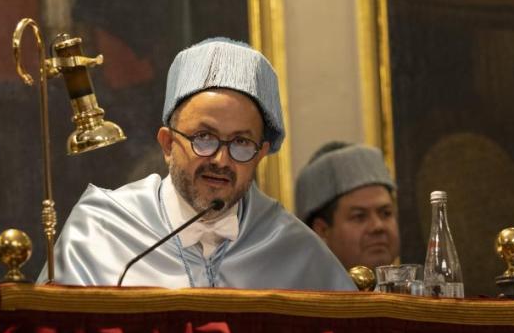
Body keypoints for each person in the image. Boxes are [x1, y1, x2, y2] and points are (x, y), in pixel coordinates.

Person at [39, 38, 355, 291]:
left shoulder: (291, 246)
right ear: (167, 144)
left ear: (261, 154)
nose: (221, 160)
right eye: (204, 137)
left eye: (242, 143)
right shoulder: (102, 230)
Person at [294, 142, 400, 270]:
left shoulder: (419, 289)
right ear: (321, 230)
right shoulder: (300, 289)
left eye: (386, 213)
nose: (378, 226)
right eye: (360, 216)